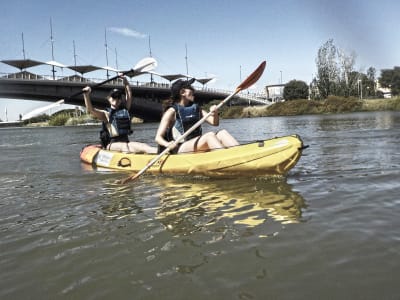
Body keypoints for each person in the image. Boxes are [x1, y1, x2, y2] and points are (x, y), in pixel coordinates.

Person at [155, 78, 239, 154]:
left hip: (197, 144)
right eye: (190, 88)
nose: (193, 90)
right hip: (181, 148)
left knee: (222, 133)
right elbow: (158, 138)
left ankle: (242, 154)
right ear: (182, 92)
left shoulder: (196, 109)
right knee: (209, 136)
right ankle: (225, 158)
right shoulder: (171, 111)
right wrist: (167, 144)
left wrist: (215, 113)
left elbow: (215, 123)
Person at [82, 75, 157, 154]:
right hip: (111, 144)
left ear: (121, 100)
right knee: (125, 147)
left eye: (118, 97)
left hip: (126, 142)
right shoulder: (106, 114)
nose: (116, 99)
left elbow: (129, 93)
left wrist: (125, 80)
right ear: (108, 98)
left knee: (143, 146)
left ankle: (164, 153)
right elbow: (91, 109)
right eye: (114, 97)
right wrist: (86, 95)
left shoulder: (125, 110)